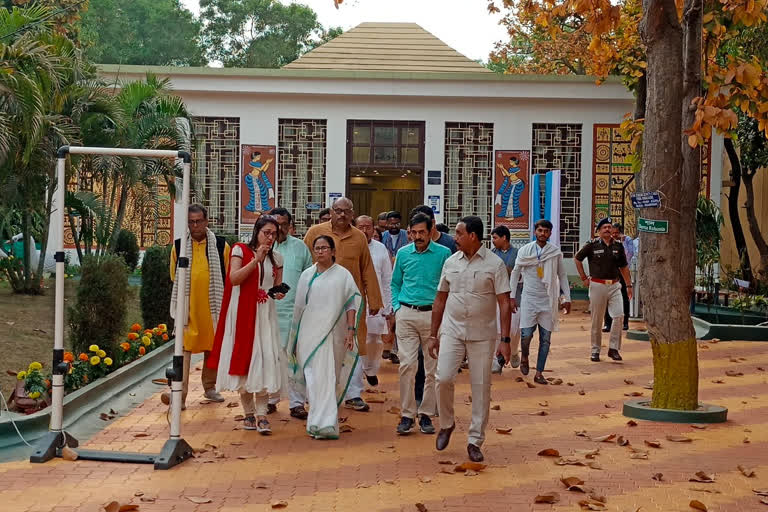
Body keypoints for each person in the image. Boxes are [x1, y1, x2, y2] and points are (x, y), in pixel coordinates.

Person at [428, 216, 512, 462]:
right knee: (442, 378)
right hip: (452, 331)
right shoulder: (451, 262)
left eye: (459, 233)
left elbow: (504, 303)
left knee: (481, 387)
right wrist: (433, 335)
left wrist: (505, 340)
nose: (455, 238)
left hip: (482, 335)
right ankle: (446, 423)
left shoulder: (494, 264)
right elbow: (440, 299)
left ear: (472, 236)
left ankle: (475, 440)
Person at [303, 197, 383, 411]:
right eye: (338, 210)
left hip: (351, 303)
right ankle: (318, 392)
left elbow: (367, 269)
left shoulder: (359, 237)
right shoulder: (315, 232)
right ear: (331, 211)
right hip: (320, 303)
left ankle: (353, 393)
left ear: (352, 213)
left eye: (346, 211)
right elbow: (305, 265)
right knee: (321, 346)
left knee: (353, 346)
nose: (342, 215)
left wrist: (375, 299)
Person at [206, 216, 284, 434]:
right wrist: (256, 260)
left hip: (265, 314)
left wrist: (279, 293)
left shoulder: (277, 258)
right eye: (266, 232)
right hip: (242, 314)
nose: (270, 237)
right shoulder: (241, 250)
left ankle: (262, 414)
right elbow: (234, 279)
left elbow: (278, 287)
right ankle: (249, 413)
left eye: (273, 234)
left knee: (266, 359)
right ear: (256, 231)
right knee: (247, 360)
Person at [288, 235, 361, 439]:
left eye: (324, 248)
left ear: (333, 251)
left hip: (333, 335)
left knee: (328, 378)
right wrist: (293, 340)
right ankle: (317, 421)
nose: (320, 252)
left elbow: (351, 303)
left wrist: (350, 330)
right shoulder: (306, 275)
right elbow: (299, 309)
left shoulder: (342, 275)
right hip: (308, 335)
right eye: (316, 248)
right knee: (312, 378)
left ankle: (326, 423)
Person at [391, 213, 451, 435]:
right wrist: (397, 307)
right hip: (406, 314)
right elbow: (395, 283)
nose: (417, 237)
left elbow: (448, 286)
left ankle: (426, 414)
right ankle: (407, 415)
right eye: (413, 233)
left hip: (433, 316)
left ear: (431, 230)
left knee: (431, 368)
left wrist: (444, 313)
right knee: (407, 365)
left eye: (421, 233)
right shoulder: (403, 253)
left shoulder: (444, 254)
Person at [167, 204, 231, 409]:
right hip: (189, 309)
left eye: (199, 221)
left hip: (213, 307)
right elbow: (173, 276)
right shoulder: (178, 246)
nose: (195, 225)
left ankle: (209, 387)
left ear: (206, 221)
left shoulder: (221, 246)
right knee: (183, 350)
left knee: (213, 349)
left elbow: (229, 275)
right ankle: (181, 395)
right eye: (191, 222)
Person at [509, 220, 571, 384]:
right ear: (535, 232)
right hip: (529, 298)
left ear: (550, 233)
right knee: (526, 335)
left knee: (546, 339)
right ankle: (524, 356)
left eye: (546, 231)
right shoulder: (525, 251)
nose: (543, 234)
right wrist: (511, 296)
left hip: (548, 300)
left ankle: (539, 372)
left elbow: (562, 275)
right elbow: (515, 273)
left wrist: (567, 298)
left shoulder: (555, 252)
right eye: (540, 230)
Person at [268, 207, 313, 419]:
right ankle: (270, 399)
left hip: (296, 314)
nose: (279, 229)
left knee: (296, 359)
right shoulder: (262, 248)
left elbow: (309, 278)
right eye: (276, 224)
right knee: (271, 357)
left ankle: (296, 403)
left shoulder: (301, 247)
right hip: (268, 313)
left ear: (290, 226)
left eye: (284, 224)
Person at [575, 218, 633, 362]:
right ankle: (595, 350)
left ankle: (613, 348)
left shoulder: (618, 247)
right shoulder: (592, 245)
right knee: (597, 319)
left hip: (614, 285)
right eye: (604, 227)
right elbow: (577, 259)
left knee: (619, 315)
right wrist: (583, 278)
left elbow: (624, 267)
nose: (607, 229)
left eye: (609, 227)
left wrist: (629, 285)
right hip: (597, 285)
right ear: (599, 231)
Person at [353, 215, 392, 387]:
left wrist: (388, 306)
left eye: (368, 227)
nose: (364, 231)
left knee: (374, 339)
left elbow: (387, 279)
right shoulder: (351, 246)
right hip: (355, 299)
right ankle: (358, 372)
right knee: (357, 337)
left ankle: (371, 369)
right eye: (360, 227)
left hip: (376, 300)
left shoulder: (381, 249)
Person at [490, 225, 522, 370]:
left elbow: (521, 275)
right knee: (497, 330)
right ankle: (498, 361)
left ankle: (514, 352)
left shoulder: (518, 254)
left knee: (514, 331)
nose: (493, 241)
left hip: (515, 298)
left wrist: (506, 270)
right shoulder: (491, 254)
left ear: (504, 238)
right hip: (496, 297)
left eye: (495, 238)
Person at [603, 223, 633, 332]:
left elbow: (629, 255)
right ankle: (607, 323)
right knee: (607, 298)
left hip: (623, 272)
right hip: (610, 273)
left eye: (617, 233)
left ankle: (625, 322)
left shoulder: (627, 240)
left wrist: (623, 242)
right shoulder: (608, 242)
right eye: (613, 233)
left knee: (625, 297)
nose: (615, 235)